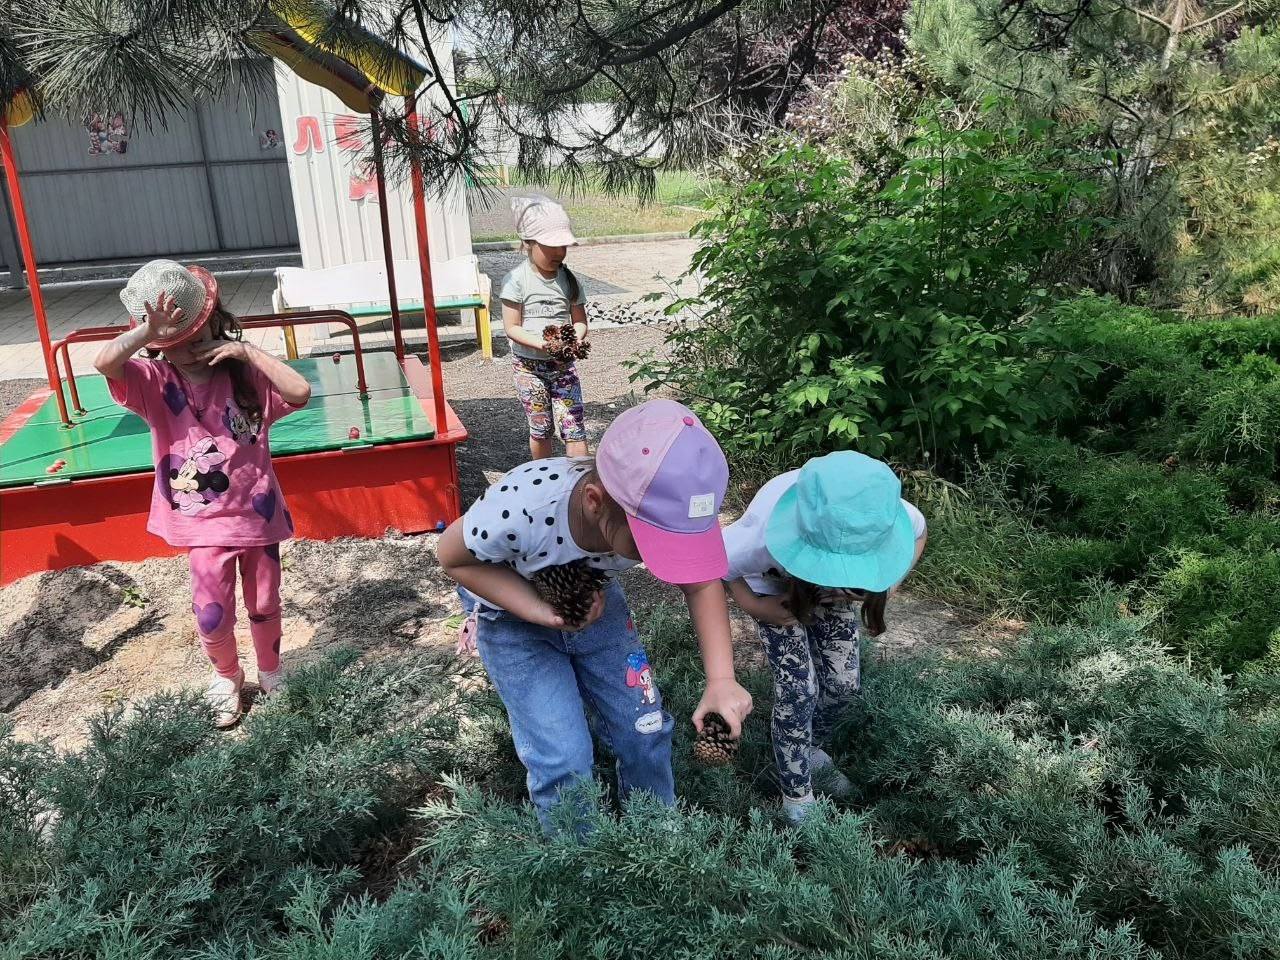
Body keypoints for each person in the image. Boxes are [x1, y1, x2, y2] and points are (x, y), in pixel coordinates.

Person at [437, 398, 753, 830]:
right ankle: (577, 861)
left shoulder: (664, 506)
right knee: (563, 758)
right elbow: (453, 558)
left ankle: (656, 841)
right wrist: (538, 610)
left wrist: (721, 680)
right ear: (594, 501)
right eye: (652, 543)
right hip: (513, 623)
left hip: (600, 610)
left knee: (645, 729)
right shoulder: (521, 507)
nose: (667, 559)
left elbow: (700, 582)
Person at [94, 260, 311, 727]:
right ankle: (226, 677)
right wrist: (146, 331)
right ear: (156, 347)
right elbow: (105, 363)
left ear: (216, 322)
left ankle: (271, 671)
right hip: (201, 524)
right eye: (172, 344)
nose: (188, 351)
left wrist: (247, 352)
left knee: (266, 602)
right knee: (212, 612)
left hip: (258, 516)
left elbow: (300, 391)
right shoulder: (154, 383)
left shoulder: (247, 379)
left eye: (196, 335)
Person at [722, 451, 928, 822]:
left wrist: (887, 583)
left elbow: (919, 531)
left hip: (837, 585)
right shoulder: (759, 538)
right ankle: (797, 798)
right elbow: (718, 563)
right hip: (773, 591)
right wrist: (754, 606)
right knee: (799, 689)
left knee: (844, 684)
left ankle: (811, 750)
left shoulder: (884, 515)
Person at [499, 195, 590, 460]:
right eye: (552, 245)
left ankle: (579, 485)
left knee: (574, 427)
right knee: (541, 428)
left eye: (563, 245)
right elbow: (512, 327)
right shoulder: (516, 280)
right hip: (529, 369)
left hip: (563, 367)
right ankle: (544, 479)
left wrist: (574, 341)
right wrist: (543, 344)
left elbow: (580, 321)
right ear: (528, 242)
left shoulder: (569, 281)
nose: (560, 252)